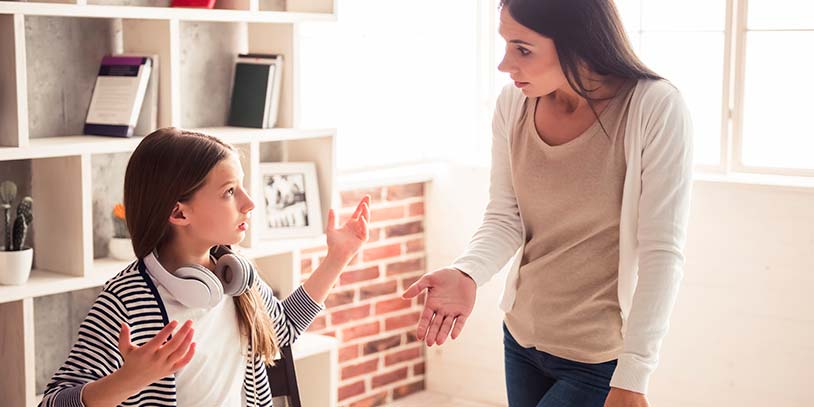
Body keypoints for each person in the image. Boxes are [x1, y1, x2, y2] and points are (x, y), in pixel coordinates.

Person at [402, 1, 693, 406]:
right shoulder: (513, 106)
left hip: (598, 359)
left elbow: (664, 251)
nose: (505, 65)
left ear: (579, 42)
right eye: (505, 45)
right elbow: (506, 216)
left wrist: (635, 374)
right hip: (521, 341)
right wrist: (467, 272)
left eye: (522, 49)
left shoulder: (654, 107)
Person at [40, 128, 371, 407]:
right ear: (180, 213)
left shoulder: (236, 275)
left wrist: (337, 257)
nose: (249, 202)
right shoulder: (124, 302)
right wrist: (127, 381)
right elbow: (52, 402)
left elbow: (280, 330)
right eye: (229, 191)